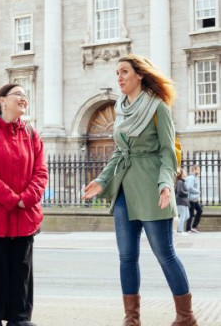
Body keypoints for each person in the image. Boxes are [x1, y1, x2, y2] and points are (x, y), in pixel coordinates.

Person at [83, 54, 198, 326]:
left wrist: (165, 185)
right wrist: (101, 180)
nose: (119, 77)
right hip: (124, 190)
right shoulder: (121, 109)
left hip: (152, 188)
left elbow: (169, 153)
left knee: (165, 253)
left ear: (140, 75)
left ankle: (186, 316)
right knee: (126, 256)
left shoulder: (157, 108)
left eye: (124, 71)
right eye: (117, 73)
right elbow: (119, 154)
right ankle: (131, 319)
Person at [0, 83, 48, 326]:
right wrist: (13, 199)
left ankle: (20, 318)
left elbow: (41, 171)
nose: (24, 99)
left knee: (22, 267)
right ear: (2, 100)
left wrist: (27, 197)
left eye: (26, 96)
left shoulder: (32, 133)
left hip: (25, 214)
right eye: (18, 95)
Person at [185, 165, 203, 233]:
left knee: (200, 210)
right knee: (191, 213)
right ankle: (188, 228)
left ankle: (194, 226)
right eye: (197, 169)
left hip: (194, 199)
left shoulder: (196, 178)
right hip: (190, 199)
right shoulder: (191, 178)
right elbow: (189, 187)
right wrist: (197, 191)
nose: (199, 170)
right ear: (193, 170)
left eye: (199, 169)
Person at [175, 169, 190, 235]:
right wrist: (187, 193)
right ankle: (180, 231)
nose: (185, 173)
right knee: (183, 216)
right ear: (181, 174)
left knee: (187, 216)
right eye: (184, 172)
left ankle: (178, 228)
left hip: (184, 201)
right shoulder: (180, 182)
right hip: (181, 201)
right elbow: (180, 191)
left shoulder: (182, 181)